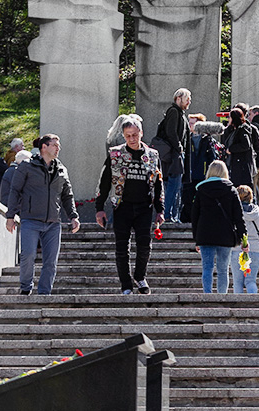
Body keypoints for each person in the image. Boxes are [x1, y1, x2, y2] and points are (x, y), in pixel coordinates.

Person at [95, 115, 164, 295]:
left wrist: (160, 209)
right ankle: (126, 285)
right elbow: (104, 181)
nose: (132, 139)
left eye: (135, 135)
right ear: (123, 136)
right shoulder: (115, 154)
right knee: (122, 247)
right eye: (128, 136)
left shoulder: (152, 155)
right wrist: (99, 208)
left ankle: (140, 276)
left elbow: (158, 183)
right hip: (122, 206)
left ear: (141, 133)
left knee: (144, 245)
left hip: (144, 207)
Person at [4, 134, 80, 295]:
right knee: (28, 256)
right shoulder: (26, 166)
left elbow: (67, 195)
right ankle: (26, 288)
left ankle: (45, 293)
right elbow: (15, 190)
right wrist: (10, 216)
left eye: (58, 145)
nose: (58, 148)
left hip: (53, 222)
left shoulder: (61, 169)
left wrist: (73, 216)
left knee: (51, 261)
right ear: (44, 147)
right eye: (54, 145)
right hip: (30, 220)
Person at [192, 161, 246, 294]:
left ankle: (207, 295)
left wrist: (196, 239)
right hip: (225, 235)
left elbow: (194, 216)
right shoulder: (231, 190)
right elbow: (239, 217)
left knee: (207, 268)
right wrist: (243, 238)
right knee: (223, 270)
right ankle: (222, 296)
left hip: (205, 235)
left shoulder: (201, 190)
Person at [157, 89, 191, 223]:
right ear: (178, 98)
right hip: (174, 155)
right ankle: (167, 214)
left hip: (176, 154)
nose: (189, 101)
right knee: (173, 186)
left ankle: (171, 215)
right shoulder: (174, 112)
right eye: (187, 98)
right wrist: (179, 147)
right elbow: (171, 132)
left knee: (176, 186)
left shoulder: (180, 113)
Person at [235, 185, 259, 293]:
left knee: (237, 281)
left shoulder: (235, 212)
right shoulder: (258, 212)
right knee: (251, 280)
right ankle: (253, 303)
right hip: (255, 249)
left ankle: (237, 307)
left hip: (237, 248)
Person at [222, 107, 259, 188]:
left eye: (230, 117)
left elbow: (246, 145)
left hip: (242, 165)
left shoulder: (243, 129)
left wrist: (231, 149)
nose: (228, 119)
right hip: (233, 163)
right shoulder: (231, 130)